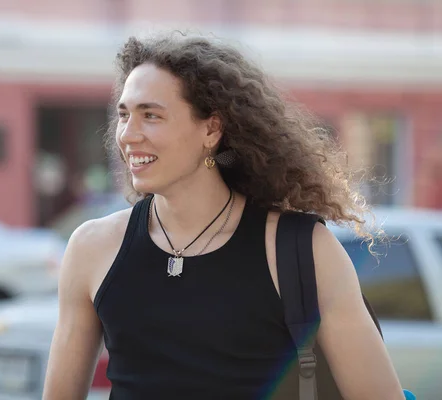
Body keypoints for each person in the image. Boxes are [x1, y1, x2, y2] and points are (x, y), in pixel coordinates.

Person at [42, 32, 405, 399]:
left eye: (151, 115)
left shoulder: (301, 250)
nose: (128, 135)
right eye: (124, 115)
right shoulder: (91, 249)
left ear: (212, 129)